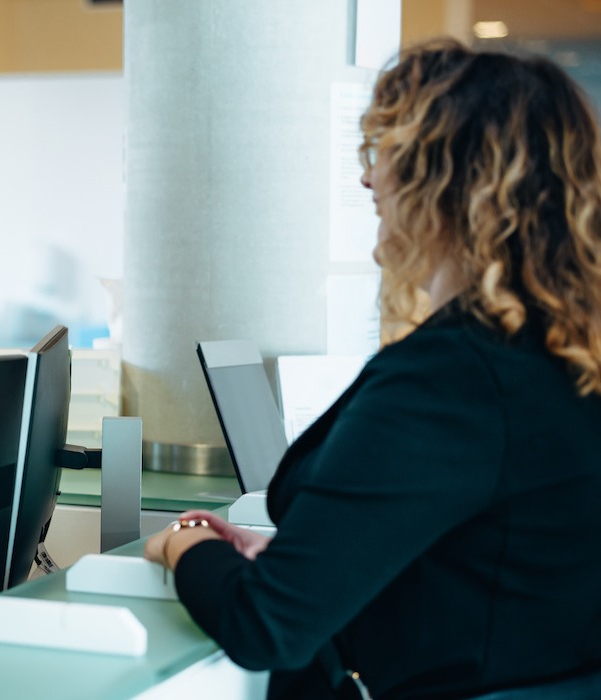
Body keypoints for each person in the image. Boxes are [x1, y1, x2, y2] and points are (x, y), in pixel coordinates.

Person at [145, 40, 601, 699]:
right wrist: (319, 561)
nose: (367, 181)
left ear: (445, 179)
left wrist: (184, 545)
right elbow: (507, 567)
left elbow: (265, 627)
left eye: (385, 154)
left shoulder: (453, 376)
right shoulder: (563, 352)